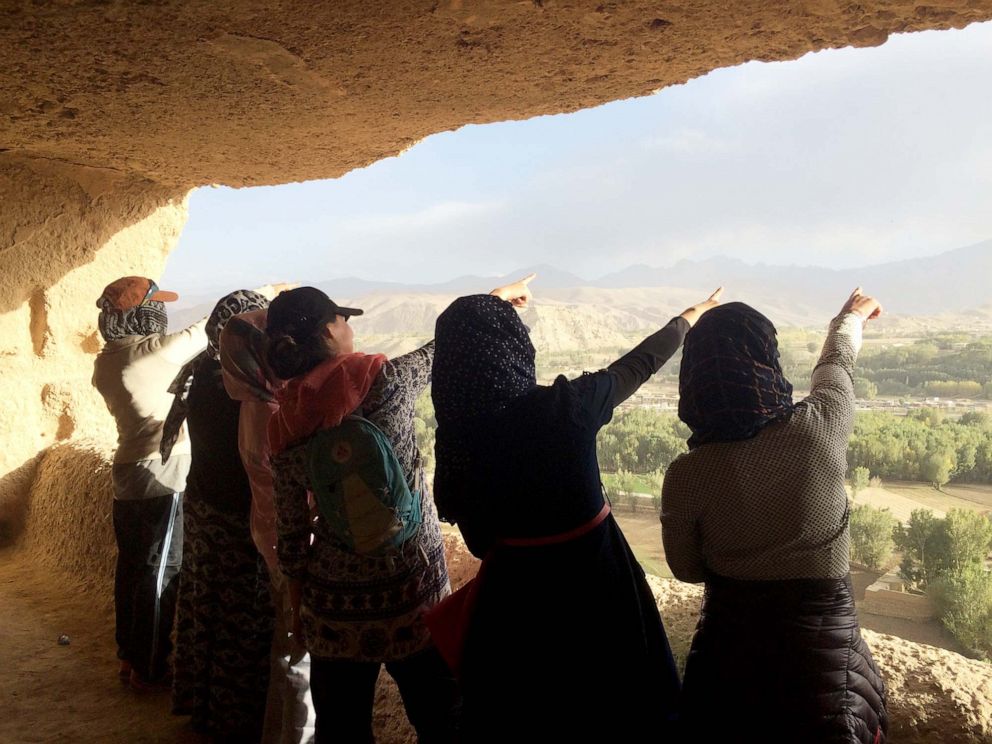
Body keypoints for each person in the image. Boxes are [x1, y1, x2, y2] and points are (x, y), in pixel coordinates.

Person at [430, 274, 721, 742]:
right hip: (600, 592)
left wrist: (489, 302)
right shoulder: (567, 409)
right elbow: (638, 364)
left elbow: (482, 545)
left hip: (514, 614)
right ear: (516, 347)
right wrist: (691, 317)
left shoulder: (458, 445)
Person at [661, 289, 889, 743]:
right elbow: (835, 367)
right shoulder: (819, 426)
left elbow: (686, 570)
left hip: (725, 671)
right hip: (826, 676)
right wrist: (849, 318)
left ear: (695, 377)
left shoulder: (687, 475)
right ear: (766, 359)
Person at [265, 287, 458, 744]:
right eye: (342, 319)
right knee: (441, 717)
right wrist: (497, 298)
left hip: (334, 607)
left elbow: (291, 532)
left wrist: (297, 611)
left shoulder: (285, 422)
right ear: (330, 330)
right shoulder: (385, 379)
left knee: (342, 729)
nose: (350, 327)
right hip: (412, 589)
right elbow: (440, 350)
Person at [163, 290, 275, 741]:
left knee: (204, 608)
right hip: (236, 520)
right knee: (239, 620)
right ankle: (234, 719)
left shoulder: (203, 373)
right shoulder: (242, 387)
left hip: (205, 509)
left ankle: (201, 704)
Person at [91, 276, 205, 691]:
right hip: (164, 474)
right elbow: (209, 328)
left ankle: (128, 657)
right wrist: (268, 293)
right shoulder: (150, 354)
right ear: (140, 315)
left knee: (132, 569)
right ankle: (149, 667)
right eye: (155, 307)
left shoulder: (107, 361)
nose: (163, 314)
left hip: (128, 474)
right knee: (161, 573)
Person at [219, 304, 316, 744]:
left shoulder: (253, 403)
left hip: (271, 538)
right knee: (301, 660)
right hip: (291, 547)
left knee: (288, 650)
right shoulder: (274, 413)